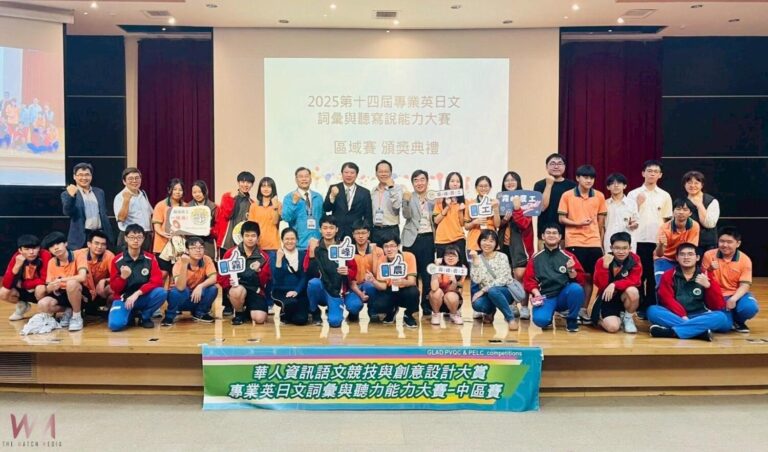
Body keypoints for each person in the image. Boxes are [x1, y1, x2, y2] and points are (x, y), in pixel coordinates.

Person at [648, 242, 730, 341]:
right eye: (682, 254)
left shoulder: (705, 275)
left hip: (700, 315)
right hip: (676, 315)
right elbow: (667, 300)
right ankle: (698, 332)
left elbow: (717, 305)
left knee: (721, 317)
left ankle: (672, 332)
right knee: (653, 311)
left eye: (690, 254)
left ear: (697, 258)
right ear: (677, 258)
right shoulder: (668, 275)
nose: (686, 257)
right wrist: (683, 315)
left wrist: (709, 286)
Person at [557, 164, 607, 321]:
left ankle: (584, 309)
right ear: (577, 178)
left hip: (593, 242)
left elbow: (601, 221)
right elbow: (561, 218)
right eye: (585, 177)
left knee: (590, 278)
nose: (589, 180)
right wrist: (577, 223)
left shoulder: (599, 196)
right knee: (573, 277)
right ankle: (572, 308)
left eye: (592, 178)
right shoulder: (567, 195)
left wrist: (599, 240)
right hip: (574, 241)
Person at [627, 160, 672, 314]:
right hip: (637, 240)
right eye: (649, 171)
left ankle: (652, 306)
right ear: (643, 173)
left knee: (653, 276)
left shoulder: (665, 196)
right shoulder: (633, 194)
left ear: (660, 175)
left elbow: (667, 220)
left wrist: (664, 241)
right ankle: (639, 307)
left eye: (655, 171)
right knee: (639, 274)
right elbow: (628, 218)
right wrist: (637, 204)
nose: (652, 174)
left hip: (656, 242)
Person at [524, 224, 586, 332]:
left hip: (563, 296)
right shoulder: (535, 258)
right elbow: (529, 281)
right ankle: (548, 316)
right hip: (546, 297)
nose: (551, 235)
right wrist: (536, 293)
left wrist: (571, 270)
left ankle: (571, 319)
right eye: (548, 233)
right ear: (543, 236)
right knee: (540, 320)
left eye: (554, 233)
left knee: (576, 289)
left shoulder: (569, 256)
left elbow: (581, 281)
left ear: (560, 237)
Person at [304, 215, 362, 327]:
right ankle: (314, 311)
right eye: (325, 228)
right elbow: (308, 272)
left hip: (339, 291)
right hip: (323, 288)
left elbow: (354, 271)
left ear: (336, 229)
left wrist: (348, 272)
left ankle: (350, 312)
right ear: (320, 230)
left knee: (336, 321)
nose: (328, 231)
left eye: (331, 228)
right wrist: (312, 255)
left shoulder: (344, 246)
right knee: (313, 283)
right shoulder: (315, 247)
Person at [108, 224, 167, 331]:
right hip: (123, 299)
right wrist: (122, 278)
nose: (135, 240)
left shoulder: (150, 258)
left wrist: (137, 293)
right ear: (126, 238)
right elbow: (114, 288)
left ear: (143, 239)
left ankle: (144, 316)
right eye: (132, 237)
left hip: (142, 297)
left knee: (161, 292)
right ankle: (130, 313)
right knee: (115, 325)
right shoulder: (117, 260)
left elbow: (157, 281)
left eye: (139, 237)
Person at [701, 227, 759, 333]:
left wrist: (733, 299)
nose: (725, 245)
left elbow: (745, 285)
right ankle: (729, 320)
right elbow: (703, 279)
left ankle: (738, 321)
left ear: (738, 243)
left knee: (750, 308)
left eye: (729, 242)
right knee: (724, 327)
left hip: (736, 294)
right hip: (717, 295)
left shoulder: (745, 260)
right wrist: (710, 269)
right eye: (722, 241)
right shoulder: (708, 255)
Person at [218, 221, 272, 325]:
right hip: (238, 290)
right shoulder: (231, 253)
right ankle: (239, 313)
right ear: (242, 236)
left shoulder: (264, 256)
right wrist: (229, 283)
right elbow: (221, 276)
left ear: (258, 237)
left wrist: (259, 271)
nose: (250, 239)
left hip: (255, 290)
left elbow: (265, 282)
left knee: (260, 319)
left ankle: (248, 311)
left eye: (253, 236)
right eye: (247, 235)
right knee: (237, 290)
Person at [497, 171, 534, 320]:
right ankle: (512, 304)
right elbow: (498, 225)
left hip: (521, 245)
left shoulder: (527, 201)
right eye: (507, 180)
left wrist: (518, 209)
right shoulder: (500, 200)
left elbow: (525, 224)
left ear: (518, 182)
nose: (510, 182)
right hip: (504, 243)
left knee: (521, 275)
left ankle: (524, 306)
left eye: (513, 180)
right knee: (508, 277)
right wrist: (504, 220)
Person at [469, 230, 521, 331]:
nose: (487, 243)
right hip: (487, 294)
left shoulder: (502, 257)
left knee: (493, 291)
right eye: (484, 240)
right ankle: (490, 311)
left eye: (491, 241)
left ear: (496, 244)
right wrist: (475, 261)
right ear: (479, 242)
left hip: (505, 291)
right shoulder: (477, 258)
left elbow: (504, 278)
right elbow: (476, 279)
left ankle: (510, 319)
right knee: (477, 304)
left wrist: (484, 290)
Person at [37, 232, 89, 332]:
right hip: (62, 293)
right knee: (42, 304)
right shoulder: (52, 262)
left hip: (81, 293)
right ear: (49, 250)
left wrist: (61, 280)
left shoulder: (79, 255)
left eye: (58, 243)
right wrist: (52, 287)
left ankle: (77, 316)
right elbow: (48, 286)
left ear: (65, 243)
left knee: (71, 284)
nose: (56, 248)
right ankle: (68, 310)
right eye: (52, 246)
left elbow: (82, 277)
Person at [591, 232, 641, 334]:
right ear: (611, 248)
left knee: (633, 291)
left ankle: (627, 318)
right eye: (617, 248)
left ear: (630, 248)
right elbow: (601, 286)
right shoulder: (602, 261)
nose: (621, 252)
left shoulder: (635, 259)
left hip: (624, 296)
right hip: (607, 297)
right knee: (613, 328)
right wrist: (605, 268)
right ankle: (601, 318)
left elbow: (635, 280)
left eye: (624, 248)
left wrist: (614, 284)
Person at [402, 169, 436, 316]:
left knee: (427, 273)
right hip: (411, 239)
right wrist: (405, 201)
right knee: (412, 274)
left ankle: (426, 305)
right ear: (412, 183)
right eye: (416, 180)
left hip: (428, 238)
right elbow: (406, 215)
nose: (419, 183)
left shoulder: (433, 197)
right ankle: (413, 306)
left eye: (422, 180)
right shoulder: (409, 196)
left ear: (427, 181)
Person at [368, 233, 419, 328]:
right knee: (379, 305)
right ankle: (391, 311)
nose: (389, 249)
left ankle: (408, 314)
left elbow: (412, 281)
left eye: (392, 246)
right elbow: (383, 286)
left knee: (414, 292)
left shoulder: (409, 256)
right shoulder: (381, 260)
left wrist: (403, 282)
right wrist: (373, 281)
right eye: (386, 246)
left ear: (398, 246)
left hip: (405, 289)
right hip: (390, 290)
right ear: (383, 248)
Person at [165, 236, 217, 325]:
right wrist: (185, 264)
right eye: (193, 248)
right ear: (187, 251)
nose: (198, 250)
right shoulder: (179, 263)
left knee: (212, 289)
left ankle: (200, 313)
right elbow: (180, 287)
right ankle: (170, 315)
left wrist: (200, 286)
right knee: (180, 291)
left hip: (197, 296)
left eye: (201, 247)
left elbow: (214, 278)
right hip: (181, 298)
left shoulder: (206, 259)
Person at [61, 162, 114, 249]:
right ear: (74, 176)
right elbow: (67, 212)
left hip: (100, 235)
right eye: (80, 175)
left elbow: (103, 214)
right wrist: (72, 196)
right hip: (81, 238)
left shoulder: (99, 192)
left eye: (87, 175)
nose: (84, 178)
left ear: (91, 176)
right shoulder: (67, 194)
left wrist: (109, 236)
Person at [533, 153, 577, 250]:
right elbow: (542, 207)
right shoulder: (539, 185)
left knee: (564, 259)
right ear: (546, 167)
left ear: (564, 166)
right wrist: (549, 185)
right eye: (552, 164)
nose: (556, 166)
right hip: (544, 233)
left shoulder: (572, 186)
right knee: (543, 259)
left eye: (559, 164)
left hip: (566, 233)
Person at [1, 235, 50, 321]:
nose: (31, 252)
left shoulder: (45, 254)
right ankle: (23, 306)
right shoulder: (17, 256)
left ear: (39, 248)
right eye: (27, 249)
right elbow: (6, 284)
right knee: (3, 292)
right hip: (24, 290)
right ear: (20, 250)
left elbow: (45, 279)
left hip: (40, 290)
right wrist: (16, 266)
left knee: (41, 288)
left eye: (34, 248)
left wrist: (24, 284)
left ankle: (44, 313)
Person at [654, 199, 700, 285]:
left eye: (685, 210)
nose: (681, 212)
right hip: (665, 258)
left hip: (683, 257)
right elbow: (659, 254)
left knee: (685, 284)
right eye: (678, 209)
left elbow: (690, 248)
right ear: (673, 211)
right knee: (661, 284)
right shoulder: (664, 228)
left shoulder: (695, 226)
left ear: (690, 213)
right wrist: (660, 245)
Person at [323, 162, 373, 240]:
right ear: (342, 174)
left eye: (352, 173)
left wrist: (369, 238)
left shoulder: (364, 192)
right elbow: (326, 208)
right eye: (346, 172)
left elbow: (368, 216)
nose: (349, 175)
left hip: (356, 234)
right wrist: (332, 196)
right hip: (337, 232)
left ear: (356, 175)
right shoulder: (334, 188)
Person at [271, 228, 310, 326]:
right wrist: (279, 260)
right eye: (287, 239)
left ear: (297, 240)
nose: (290, 241)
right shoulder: (275, 255)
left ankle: (291, 314)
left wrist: (296, 291)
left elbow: (304, 276)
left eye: (292, 239)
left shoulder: (303, 255)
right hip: (281, 291)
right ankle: (285, 313)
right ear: (282, 240)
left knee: (301, 320)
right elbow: (276, 279)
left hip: (299, 292)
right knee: (291, 303)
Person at [282, 167, 325, 250]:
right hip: (299, 245)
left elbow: (323, 219)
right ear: (296, 179)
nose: (304, 179)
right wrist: (294, 203)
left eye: (306, 176)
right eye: (301, 177)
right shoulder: (289, 197)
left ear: (311, 179)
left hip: (317, 244)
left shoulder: (318, 197)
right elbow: (286, 218)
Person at [214, 171, 255, 254]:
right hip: (226, 240)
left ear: (252, 184)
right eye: (243, 182)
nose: (245, 185)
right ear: (238, 182)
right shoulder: (228, 196)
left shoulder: (252, 203)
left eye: (248, 182)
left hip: (242, 241)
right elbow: (226, 215)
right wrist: (231, 199)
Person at [113, 168, 153, 250]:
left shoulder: (143, 194)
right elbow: (121, 218)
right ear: (124, 182)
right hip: (130, 236)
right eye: (130, 179)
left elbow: (151, 213)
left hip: (145, 235)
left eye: (137, 178)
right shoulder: (120, 197)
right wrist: (126, 200)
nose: (134, 181)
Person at [349, 220, 381, 321]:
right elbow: (349, 279)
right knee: (353, 307)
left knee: (370, 286)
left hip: (371, 285)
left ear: (368, 234)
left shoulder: (378, 251)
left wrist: (374, 255)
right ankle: (353, 312)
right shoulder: (348, 251)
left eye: (363, 233)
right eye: (357, 233)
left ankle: (373, 311)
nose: (361, 236)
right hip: (354, 286)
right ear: (353, 235)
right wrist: (360, 293)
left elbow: (379, 275)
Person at [152, 178, 185, 276]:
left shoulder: (186, 206)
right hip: (162, 244)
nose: (178, 192)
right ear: (169, 190)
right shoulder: (161, 205)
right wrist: (163, 233)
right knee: (164, 273)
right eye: (175, 189)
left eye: (180, 190)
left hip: (179, 246)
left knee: (178, 273)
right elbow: (156, 226)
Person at [433, 171, 467, 267]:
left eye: (458, 181)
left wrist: (461, 211)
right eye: (452, 181)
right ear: (447, 183)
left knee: (460, 269)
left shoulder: (463, 201)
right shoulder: (440, 200)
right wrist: (447, 207)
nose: (455, 184)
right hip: (442, 240)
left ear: (461, 185)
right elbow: (436, 220)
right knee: (442, 270)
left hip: (458, 239)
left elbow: (462, 224)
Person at [683, 171, 720, 254]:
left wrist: (700, 205)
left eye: (696, 183)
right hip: (686, 243)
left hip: (707, 245)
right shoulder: (680, 201)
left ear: (702, 185)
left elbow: (709, 224)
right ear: (684, 185)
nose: (692, 185)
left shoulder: (711, 201)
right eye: (689, 183)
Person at [79, 230, 115, 317]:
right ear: (89, 244)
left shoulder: (109, 255)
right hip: (84, 292)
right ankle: (75, 313)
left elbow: (116, 276)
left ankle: (109, 310)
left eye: (103, 244)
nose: (99, 247)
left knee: (114, 288)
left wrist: (105, 280)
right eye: (96, 243)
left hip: (101, 291)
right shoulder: (78, 254)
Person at [427, 245, 466, 325]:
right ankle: (436, 314)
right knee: (436, 292)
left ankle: (453, 314)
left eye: (454, 255)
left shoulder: (462, 269)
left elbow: (455, 290)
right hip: (437, 300)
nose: (450, 258)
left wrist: (454, 281)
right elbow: (434, 288)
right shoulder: (437, 267)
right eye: (447, 255)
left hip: (452, 300)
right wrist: (436, 268)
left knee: (451, 295)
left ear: (458, 258)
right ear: (443, 258)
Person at [370, 160, 404, 246]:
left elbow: (397, 206)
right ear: (376, 173)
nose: (383, 174)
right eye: (380, 172)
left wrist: (391, 187)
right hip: (375, 230)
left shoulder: (397, 188)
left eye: (386, 171)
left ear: (391, 173)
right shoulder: (373, 190)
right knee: (376, 254)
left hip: (391, 230)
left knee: (391, 254)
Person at [603, 173, 639, 253]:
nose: (616, 185)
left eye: (619, 183)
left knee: (629, 261)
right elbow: (602, 225)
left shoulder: (632, 203)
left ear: (625, 186)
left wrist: (634, 225)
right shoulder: (604, 204)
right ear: (608, 187)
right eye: (612, 183)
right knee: (609, 261)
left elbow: (636, 222)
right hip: (609, 242)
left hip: (628, 241)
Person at [465, 176, 501, 254]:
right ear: (476, 188)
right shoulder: (471, 204)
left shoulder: (494, 203)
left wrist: (495, 209)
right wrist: (474, 222)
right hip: (474, 242)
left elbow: (497, 225)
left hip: (490, 242)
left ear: (490, 188)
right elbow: (466, 226)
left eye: (486, 186)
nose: (483, 188)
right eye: (480, 186)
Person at [248, 176, 282, 253]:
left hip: (273, 246)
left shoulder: (278, 204)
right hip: (257, 246)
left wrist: (275, 207)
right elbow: (251, 227)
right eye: (263, 186)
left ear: (273, 188)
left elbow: (275, 221)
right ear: (260, 188)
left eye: (269, 186)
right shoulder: (254, 205)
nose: (266, 189)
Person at [189, 180, 218, 259]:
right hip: (193, 240)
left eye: (200, 192)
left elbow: (217, 225)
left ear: (205, 191)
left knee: (208, 261)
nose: (197, 194)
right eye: (194, 192)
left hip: (208, 240)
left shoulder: (213, 206)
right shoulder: (188, 207)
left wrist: (211, 230)